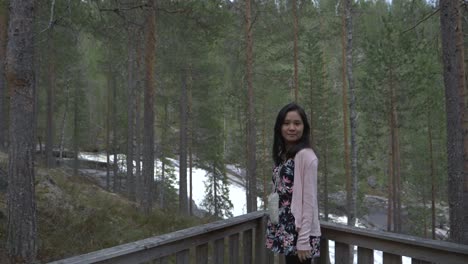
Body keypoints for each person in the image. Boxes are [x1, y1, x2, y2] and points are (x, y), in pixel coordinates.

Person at [266, 102, 321, 264]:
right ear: (279, 127)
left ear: (304, 127)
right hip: (286, 228)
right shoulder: (285, 154)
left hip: (299, 232)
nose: (291, 128)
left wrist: (303, 239)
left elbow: (309, 201)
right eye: (286, 123)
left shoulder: (306, 156)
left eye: (297, 123)